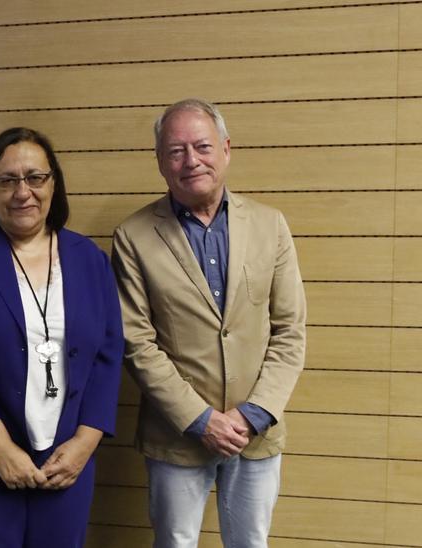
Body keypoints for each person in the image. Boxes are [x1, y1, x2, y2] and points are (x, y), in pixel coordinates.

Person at [110, 99, 307, 548]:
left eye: (202, 146)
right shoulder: (133, 235)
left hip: (256, 434)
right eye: (176, 151)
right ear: (160, 161)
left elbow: (290, 331)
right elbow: (136, 343)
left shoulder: (270, 225)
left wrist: (252, 415)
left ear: (226, 149)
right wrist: (201, 420)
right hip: (176, 437)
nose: (191, 160)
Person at [0, 127, 124, 547]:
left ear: (54, 184)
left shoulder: (90, 260)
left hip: (66, 458)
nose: (22, 192)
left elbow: (108, 355)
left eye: (35, 178)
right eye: (7, 180)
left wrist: (84, 444)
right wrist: (0, 450)